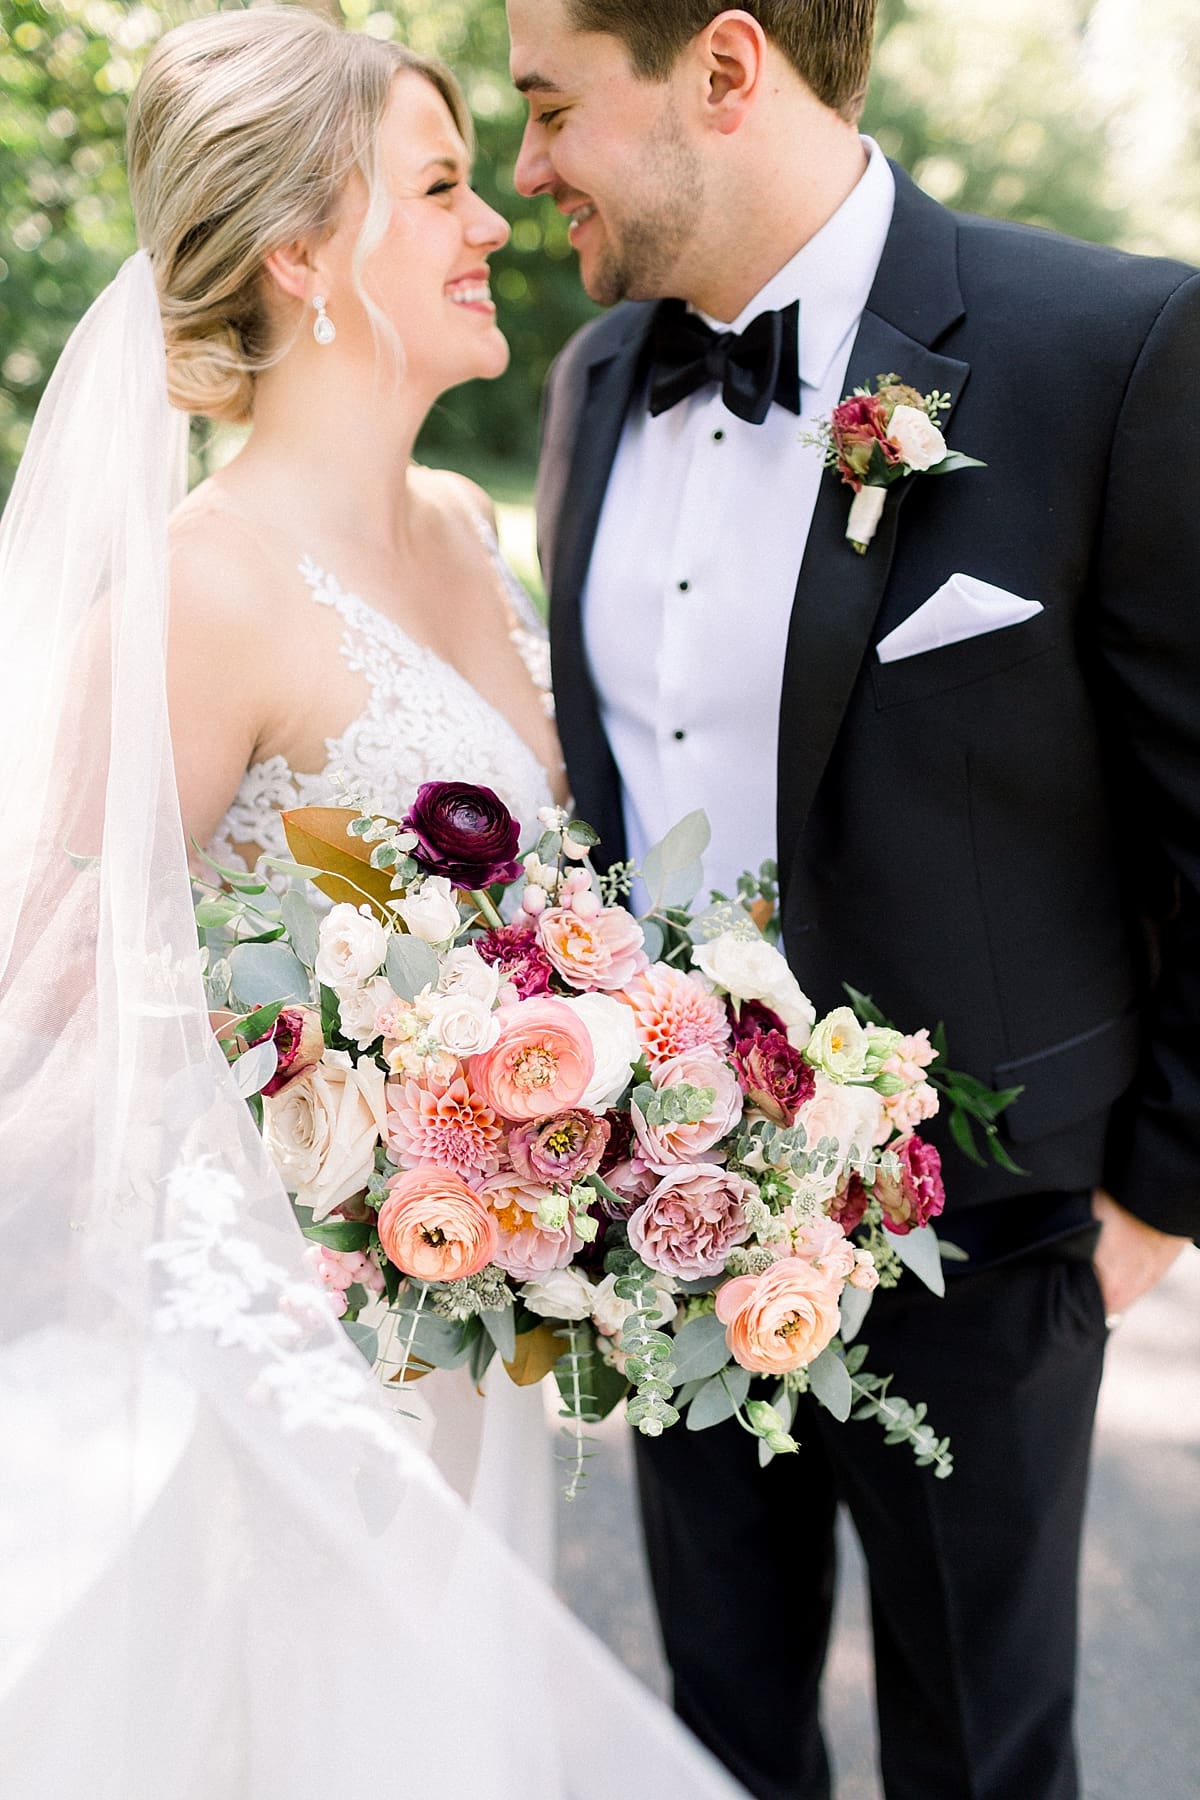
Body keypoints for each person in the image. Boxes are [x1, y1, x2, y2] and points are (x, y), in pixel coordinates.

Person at [0, 10, 745, 1797]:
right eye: (440, 185)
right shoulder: (198, 597)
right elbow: (44, 1017)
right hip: (281, 1380)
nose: (494, 220)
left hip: (462, 1352)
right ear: (300, 257)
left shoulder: (459, 534)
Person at [508, 2, 1200, 1796]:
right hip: (657, 1226)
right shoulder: (595, 383)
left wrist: (1153, 1191)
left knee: (980, 1754)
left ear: (725, 74)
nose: (526, 172)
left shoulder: (1106, 348)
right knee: (722, 1733)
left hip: (989, 1239)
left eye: (549, 107)